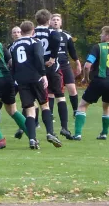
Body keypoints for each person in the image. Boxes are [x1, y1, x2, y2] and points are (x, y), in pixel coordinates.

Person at [73, 26, 109, 140]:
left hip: (99, 80)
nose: (100, 35)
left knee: (83, 105)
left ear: (108, 36)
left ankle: (77, 134)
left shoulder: (98, 47)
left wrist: (86, 78)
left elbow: (87, 65)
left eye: (102, 33)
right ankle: (104, 133)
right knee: (107, 106)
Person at [9, 21, 62, 149]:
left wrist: (16, 77)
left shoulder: (14, 45)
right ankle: (50, 133)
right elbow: (38, 57)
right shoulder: (35, 42)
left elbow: (12, 63)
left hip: (21, 80)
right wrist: (43, 74)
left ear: (21, 32)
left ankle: (32, 139)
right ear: (33, 31)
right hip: (35, 77)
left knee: (30, 109)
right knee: (44, 105)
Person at [33, 9, 72, 139]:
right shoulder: (52, 32)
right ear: (49, 20)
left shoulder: (32, 33)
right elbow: (56, 39)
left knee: (37, 99)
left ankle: (34, 125)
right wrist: (53, 57)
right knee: (60, 96)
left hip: (37, 69)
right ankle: (64, 127)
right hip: (51, 68)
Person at [50, 14, 82, 117]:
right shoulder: (47, 34)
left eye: (57, 20)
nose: (55, 21)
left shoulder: (66, 36)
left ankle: (75, 110)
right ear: (50, 22)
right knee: (51, 90)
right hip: (52, 65)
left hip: (64, 64)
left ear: (61, 22)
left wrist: (77, 63)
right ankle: (49, 113)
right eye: (53, 20)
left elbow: (72, 51)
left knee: (72, 88)